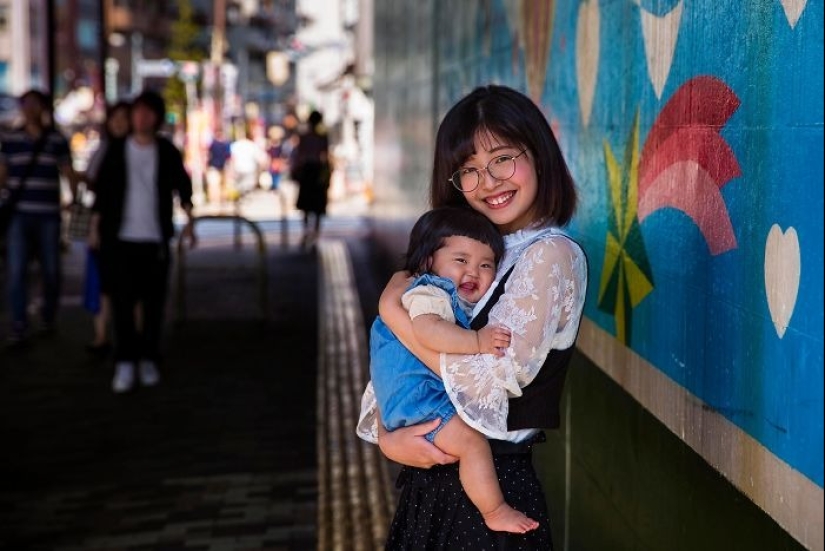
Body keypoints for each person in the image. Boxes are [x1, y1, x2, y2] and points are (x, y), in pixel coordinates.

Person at [356, 84, 588, 549]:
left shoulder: (550, 255)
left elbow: (486, 383)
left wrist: (392, 312)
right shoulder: (466, 252)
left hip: (494, 494)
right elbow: (393, 370)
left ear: (539, 155)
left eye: (503, 158)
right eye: (469, 170)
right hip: (429, 487)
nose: (489, 181)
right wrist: (388, 433)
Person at [368, 206, 539, 534]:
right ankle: (494, 510)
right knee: (472, 444)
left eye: (486, 265)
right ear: (427, 261)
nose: (473, 271)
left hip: (412, 401)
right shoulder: (429, 292)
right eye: (461, 260)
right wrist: (477, 341)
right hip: (421, 402)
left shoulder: (425, 292)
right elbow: (428, 331)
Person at [89, 89, 196, 394]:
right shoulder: (116, 150)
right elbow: (103, 194)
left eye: (148, 112)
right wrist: (95, 228)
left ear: (157, 118)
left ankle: (148, 357)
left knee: (153, 303)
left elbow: (182, 186)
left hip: (154, 239)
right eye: (137, 111)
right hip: (119, 239)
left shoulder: (166, 151)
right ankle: (125, 361)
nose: (141, 117)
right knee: (122, 303)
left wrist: (190, 220)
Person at [0, 89, 80, 345]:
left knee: (51, 269)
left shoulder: (56, 139)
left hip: (48, 215)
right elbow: (2, 174)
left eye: (35, 104)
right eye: (26, 104)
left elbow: (68, 171)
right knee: (17, 270)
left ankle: (48, 317)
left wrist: (74, 199)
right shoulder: (10, 139)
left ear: (43, 108)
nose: (30, 109)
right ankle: (19, 323)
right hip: (18, 214)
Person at [82, 100, 131, 354]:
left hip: (134, 226)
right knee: (103, 284)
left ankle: (132, 338)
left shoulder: (141, 150)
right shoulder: (103, 151)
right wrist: (94, 228)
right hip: (107, 226)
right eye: (115, 117)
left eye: (124, 117)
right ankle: (102, 335)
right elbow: (95, 191)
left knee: (132, 285)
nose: (119, 123)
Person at [291, 110, 330, 248]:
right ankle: (315, 234)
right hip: (317, 171)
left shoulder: (304, 137)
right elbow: (325, 157)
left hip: (307, 171)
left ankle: (307, 232)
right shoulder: (322, 137)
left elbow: (299, 156)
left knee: (306, 205)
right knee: (317, 205)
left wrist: (296, 171)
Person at [205, 128, 231, 204]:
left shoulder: (216, 144)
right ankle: (217, 200)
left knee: (217, 185)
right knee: (216, 185)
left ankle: (217, 201)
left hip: (218, 167)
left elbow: (229, 157)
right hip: (216, 167)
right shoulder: (217, 144)